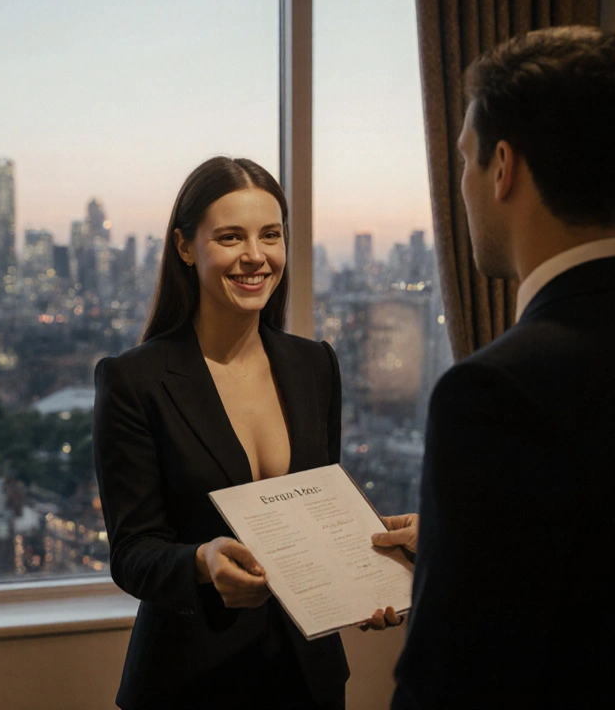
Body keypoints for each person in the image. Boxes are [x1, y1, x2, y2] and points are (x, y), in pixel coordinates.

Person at [374, 27, 615, 708]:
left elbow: (450, 686)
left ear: (503, 168)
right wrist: (452, 539)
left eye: (464, 160)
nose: (460, 188)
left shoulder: (494, 392)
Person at [93, 157, 401, 710]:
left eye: (271, 235)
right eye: (231, 237)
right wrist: (202, 563)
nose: (255, 256)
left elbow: (316, 512)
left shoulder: (315, 366)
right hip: (189, 683)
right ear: (186, 247)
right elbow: (132, 552)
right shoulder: (134, 380)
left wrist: (371, 577)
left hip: (309, 679)